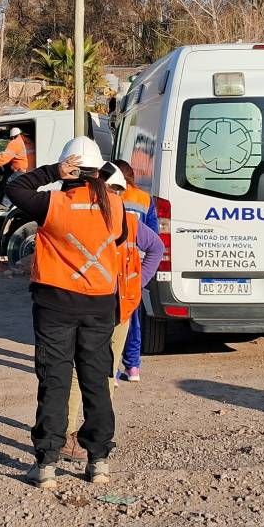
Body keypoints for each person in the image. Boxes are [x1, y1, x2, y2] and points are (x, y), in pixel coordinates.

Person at [6, 137, 125, 489]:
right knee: (96, 382)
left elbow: (15, 188)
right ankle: (99, 461)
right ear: (98, 172)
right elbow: (118, 241)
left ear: (69, 170)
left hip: (55, 305)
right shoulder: (115, 206)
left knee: (55, 381)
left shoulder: (53, 204)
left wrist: (51, 172)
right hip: (100, 305)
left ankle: (46, 465)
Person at [61, 165, 164, 462]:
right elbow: (156, 246)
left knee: (79, 369)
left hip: (94, 302)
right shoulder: (129, 216)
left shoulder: (83, 216)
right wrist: (137, 282)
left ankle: (69, 435)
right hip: (117, 303)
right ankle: (93, 436)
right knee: (106, 369)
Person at [111, 159, 158, 383]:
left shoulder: (110, 197)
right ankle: (133, 367)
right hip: (136, 268)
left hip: (112, 266)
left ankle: (111, 369)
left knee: (112, 322)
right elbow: (154, 236)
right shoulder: (144, 198)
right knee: (133, 319)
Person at [0, 126, 36, 209]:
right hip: (31, 169)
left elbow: (4, 158)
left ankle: (5, 204)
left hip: (21, 170)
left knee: (10, 183)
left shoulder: (15, 143)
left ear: (12, 136)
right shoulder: (29, 141)